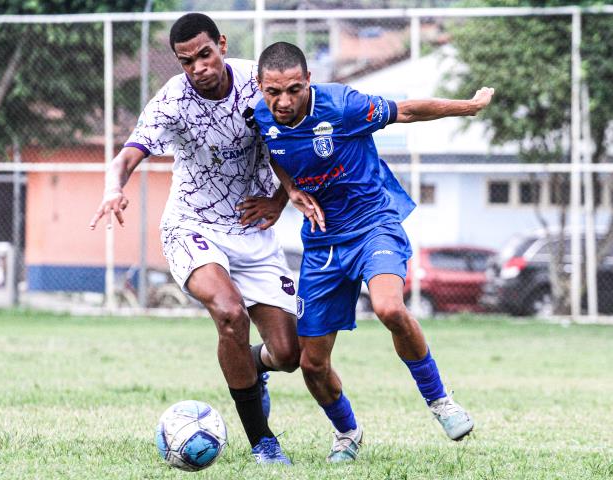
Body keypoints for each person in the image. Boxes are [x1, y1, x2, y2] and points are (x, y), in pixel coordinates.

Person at [89, 16, 321, 465]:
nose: (197, 67)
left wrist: (278, 201)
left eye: (204, 54)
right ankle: (263, 443)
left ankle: (252, 367)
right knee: (230, 313)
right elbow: (126, 156)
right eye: (186, 61)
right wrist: (113, 188)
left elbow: (297, 147)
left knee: (291, 354)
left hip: (253, 232)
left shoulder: (261, 83)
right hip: (192, 226)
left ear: (222, 45)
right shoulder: (172, 101)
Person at [253, 41, 494, 462]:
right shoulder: (261, 115)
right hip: (322, 242)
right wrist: (289, 190)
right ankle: (347, 433)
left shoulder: (344, 105)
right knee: (311, 364)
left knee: (389, 309)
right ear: (260, 87)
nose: (283, 101)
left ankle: (440, 402)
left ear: (309, 81)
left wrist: (468, 107)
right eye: (273, 92)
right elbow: (275, 150)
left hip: (373, 225)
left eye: (293, 89)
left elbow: (408, 110)